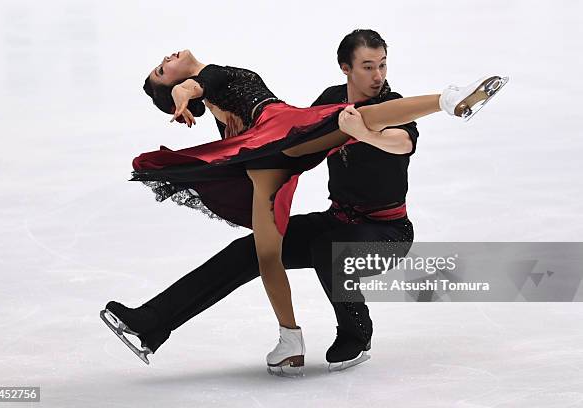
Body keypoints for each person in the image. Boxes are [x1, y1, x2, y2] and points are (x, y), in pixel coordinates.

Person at [101, 30, 507, 373]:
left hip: (387, 232)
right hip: (293, 167)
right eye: (368, 66)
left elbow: (401, 143)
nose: (378, 74)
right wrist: (181, 96)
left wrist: (360, 133)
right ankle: (155, 322)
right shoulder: (329, 99)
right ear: (346, 69)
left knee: (327, 246)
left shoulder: (389, 102)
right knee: (254, 253)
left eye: (382, 64)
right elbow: (201, 91)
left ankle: (354, 333)